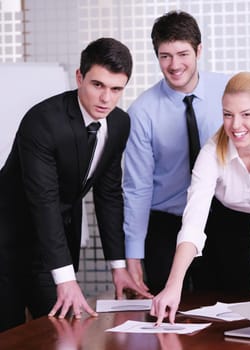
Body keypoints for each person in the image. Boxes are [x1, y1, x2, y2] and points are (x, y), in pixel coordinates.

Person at [0, 37, 151, 332]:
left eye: (116, 89)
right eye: (98, 85)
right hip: (6, 241)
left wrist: (118, 268)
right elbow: (44, 200)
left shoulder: (119, 124)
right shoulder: (42, 121)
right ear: (79, 77)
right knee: (10, 334)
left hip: (50, 249)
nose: (106, 98)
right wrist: (67, 279)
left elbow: (108, 195)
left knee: (63, 332)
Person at [150, 72, 250, 324]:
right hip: (227, 223)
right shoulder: (210, 152)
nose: (235, 125)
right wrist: (173, 285)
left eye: (246, 114)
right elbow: (194, 221)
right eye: (228, 114)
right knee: (229, 311)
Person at [122, 10, 231, 295]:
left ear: (199, 50)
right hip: (165, 224)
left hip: (221, 218)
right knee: (166, 309)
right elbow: (137, 188)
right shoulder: (142, 112)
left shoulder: (228, 92)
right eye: (165, 56)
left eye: (182, 54)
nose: (174, 64)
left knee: (223, 307)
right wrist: (133, 254)